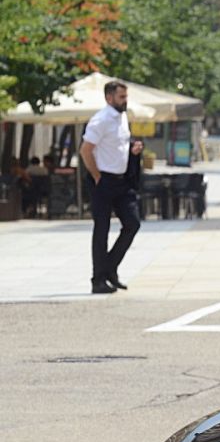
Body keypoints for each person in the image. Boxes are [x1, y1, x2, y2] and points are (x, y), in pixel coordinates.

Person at [80, 81, 139, 294]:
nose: (125, 100)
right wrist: (96, 176)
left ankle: (110, 268)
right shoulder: (100, 120)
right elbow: (86, 150)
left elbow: (118, 146)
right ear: (109, 98)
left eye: (126, 96)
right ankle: (98, 279)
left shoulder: (123, 118)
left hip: (122, 181)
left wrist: (133, 149)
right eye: (121, 97)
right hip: (103, 181)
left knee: (132, 224)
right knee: (102, 229)